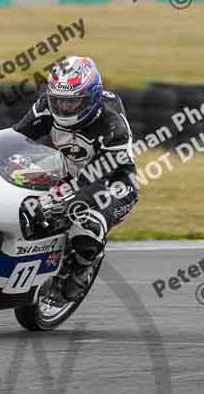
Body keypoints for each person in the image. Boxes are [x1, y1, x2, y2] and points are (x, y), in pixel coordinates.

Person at [13, 55, 139, 301]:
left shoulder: (114, 127)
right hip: (67, 165)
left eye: (73, 102)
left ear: (92, 97)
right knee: (15, 184)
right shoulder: (46, 106)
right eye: (59, 101)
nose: (64, 108)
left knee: (86, 222)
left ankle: (82, 268)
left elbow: (95, 181)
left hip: (113, 182)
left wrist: (59, 199)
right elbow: (18, 138)